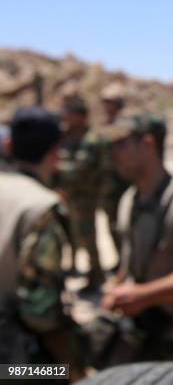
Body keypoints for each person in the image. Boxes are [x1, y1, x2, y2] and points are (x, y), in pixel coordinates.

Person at [100, 113, 173, 361]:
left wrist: (140, 296)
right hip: (145, 332)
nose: (114, 153)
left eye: (122, 144)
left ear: (148, 144)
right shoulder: (130, 200)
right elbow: (130, 261)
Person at [0, 106, 86, 379]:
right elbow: (41, 312)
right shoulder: (42, 207)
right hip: (16, 363)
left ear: (10, 145)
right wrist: (71, 368)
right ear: (56, 154)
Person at [55, 95, 105, 288]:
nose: (65, 117)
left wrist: (57, 166)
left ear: (80, 116)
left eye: (69, 114)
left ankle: (96, 275)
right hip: (70, 195)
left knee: (87, 237)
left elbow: (82, 167)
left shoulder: (90, 139)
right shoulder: (68, 136)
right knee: (71, 234)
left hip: (85, 197)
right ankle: (75, 266)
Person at [98, 83, 131, 259]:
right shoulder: (104, 123)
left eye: (109, 102)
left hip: (123, 183)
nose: (106, 106)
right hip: (107, 183)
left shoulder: (125, 123)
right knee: (111, 224)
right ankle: (120, 260)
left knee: (126, 224)